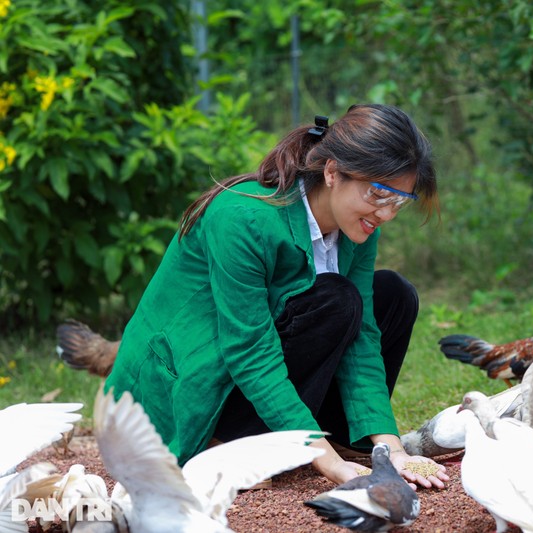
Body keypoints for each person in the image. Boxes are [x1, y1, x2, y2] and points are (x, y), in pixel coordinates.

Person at [104, 103, 449, 489]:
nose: (385, 214)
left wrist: (390, 450)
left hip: (253, 363)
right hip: (182, 390)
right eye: (377, 194)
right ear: (333, 172)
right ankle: (227, 445)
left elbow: (363, 336)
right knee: (337, 299)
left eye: (398, 201)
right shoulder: (242, 218)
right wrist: (332, 470)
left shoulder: (360, 227)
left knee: (394, 295)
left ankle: (330, 439)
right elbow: (250, 350)